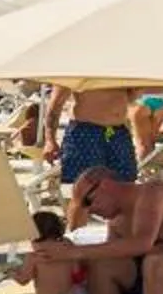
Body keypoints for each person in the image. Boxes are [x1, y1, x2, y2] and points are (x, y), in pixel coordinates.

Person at [48, 85, 140, 228]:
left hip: (117, 130)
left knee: (126, 188)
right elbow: (55, 104)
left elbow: (127, 98)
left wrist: (133, 92)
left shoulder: (119, 68)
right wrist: (50, 140)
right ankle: (75, 237)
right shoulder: (78, 67)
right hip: (86, 130)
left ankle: (119, 239)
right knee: (84, 191)